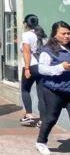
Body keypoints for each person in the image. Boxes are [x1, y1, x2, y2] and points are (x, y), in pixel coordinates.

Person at [35, 21, 70, 155]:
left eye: (69, 33)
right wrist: (61, 67)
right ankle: (41, 142)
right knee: (51, 118)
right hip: (53, 90)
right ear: (55, 35)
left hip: (69, 89)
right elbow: (42, 69)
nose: (67, 36)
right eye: (64, 33)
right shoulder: (48, 50)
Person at [19, 14, 47, 127]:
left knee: (25, 90)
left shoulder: (27, 35)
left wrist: (26, 68)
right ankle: (43, 120)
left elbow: (26, 51)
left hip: (31, 66)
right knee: (41, 94)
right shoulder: (43, 36)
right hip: (42, 67)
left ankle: (29, 116)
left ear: (26, 24)